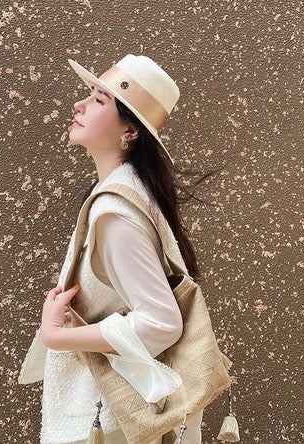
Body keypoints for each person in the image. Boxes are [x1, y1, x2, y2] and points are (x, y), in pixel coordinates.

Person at [37, 54, 216, 444]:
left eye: (99, 100)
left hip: (115, 419)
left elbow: (161, 323)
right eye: (89, 94)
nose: (79, 105)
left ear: (130, 131)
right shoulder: (128, 192)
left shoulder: (115, 215)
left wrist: (56, 336)